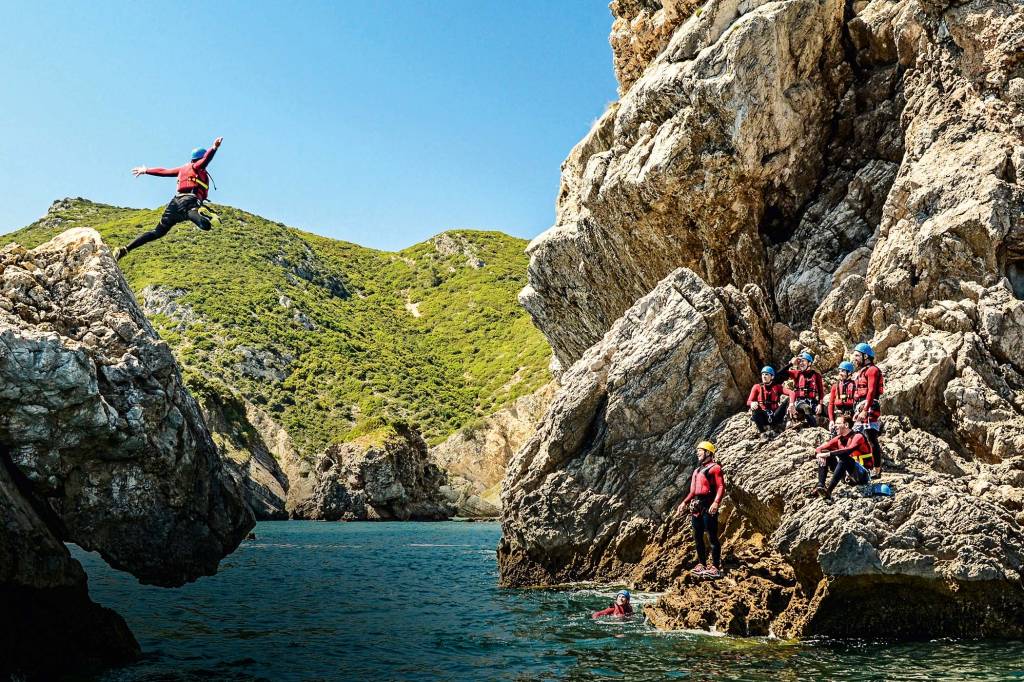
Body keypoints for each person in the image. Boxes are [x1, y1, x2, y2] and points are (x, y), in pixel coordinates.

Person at [114, 137, 224, 260]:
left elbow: (164, 171)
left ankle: (125, 249)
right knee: (205, 225)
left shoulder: (183, 169)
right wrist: (214, 148)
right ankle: (202, 214)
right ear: (200, 158)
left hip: (174, 204)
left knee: (157, 232)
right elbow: (206, 159)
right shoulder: (198, 167)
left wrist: (146, 170)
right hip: (189, 201)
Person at [676, 441, 725, 579]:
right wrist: (684, 503)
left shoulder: (715, 468)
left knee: (712, 537)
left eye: (700, 450)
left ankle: (715, 567)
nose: (698, 453)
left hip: (709, 504)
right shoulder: (697, 471)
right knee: (697, 537)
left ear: (708, 452)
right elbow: (692, 491)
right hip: (696, 505)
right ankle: (702, 564)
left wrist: (716, 502)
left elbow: (721, 487)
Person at [809, 414, 873, 499]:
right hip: (847, 474)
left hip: (862, 475)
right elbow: (819, 449)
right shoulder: (839, 439)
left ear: (846, 425)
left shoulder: (858, 436)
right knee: (824, 453)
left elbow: (847, 451)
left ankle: (829, 492)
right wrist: (820, 455)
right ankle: (821, 486)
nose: (835, 426)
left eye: (838, 423)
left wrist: (828, 454)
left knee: (843, 457)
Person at [851, 342, 885, 478]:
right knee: (856, 437)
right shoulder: (861, 372)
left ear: (866, 356)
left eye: (857, 356)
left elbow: (871, 391)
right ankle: (863, 466)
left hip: (869, 406)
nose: (855, 359)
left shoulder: (873, 370)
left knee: (871, 438)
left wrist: (865, 409)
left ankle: (877, 470)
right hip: (861, 407)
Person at [777, 351, 825, 428]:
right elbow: (778, 374)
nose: (801, 363)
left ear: (809, 363)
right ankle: (815, 429)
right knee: (806, 408)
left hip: (813, 402)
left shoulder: (816, 375)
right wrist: (791, 364)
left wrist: (820, 404)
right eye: (799, 361)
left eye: (803, 361)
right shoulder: (797, 373)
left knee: (827, 411)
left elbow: (821, 392)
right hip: (800, 402)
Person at [748, 366, 789, 439]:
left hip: (775, 416)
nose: (764, 376)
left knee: (788, 400)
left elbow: (791, 393)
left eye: (766, 374)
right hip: (763, 417)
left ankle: (788, 422)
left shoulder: (777, 387)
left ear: (772, 377)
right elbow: (749, 401)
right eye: (763, 374)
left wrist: (791, 404)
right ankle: (763, 433)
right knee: (755, 410)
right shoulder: (756, 387)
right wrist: (752, 403)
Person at [827, 361, 857, 435]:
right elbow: (831, 404)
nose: (840, 373)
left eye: (843, 371)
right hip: (838, 414)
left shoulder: (855, 385)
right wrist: (831, 420)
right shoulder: (835, 386)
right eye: (839, 370)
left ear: (849, 373)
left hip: (850, 415)